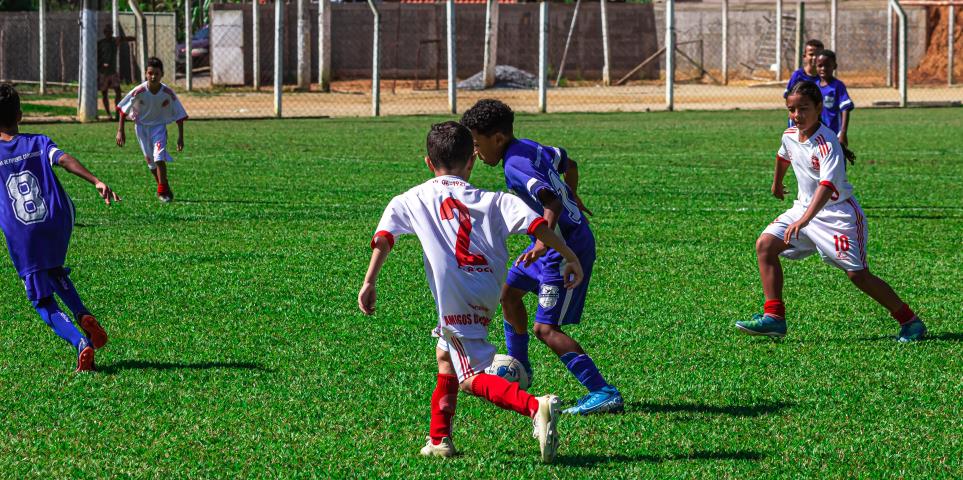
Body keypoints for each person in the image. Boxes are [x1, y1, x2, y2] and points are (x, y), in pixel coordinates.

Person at [359, 121, 585, 463]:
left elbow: (384, 237)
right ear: (472, 162)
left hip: (456, 294)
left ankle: (534, 406)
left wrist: (370, 281)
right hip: (487, 288)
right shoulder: (493, 200)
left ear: (427, 162)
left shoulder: (413, 197)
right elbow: (538, 225)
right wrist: (569, 256)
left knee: (471, 378)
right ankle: (439, 439)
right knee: (446, 357)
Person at [461, 99, 622, 416]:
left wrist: (541, 238)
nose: (476, 154)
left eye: (478, 145)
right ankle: (519, 366)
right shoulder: (528, 147)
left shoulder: (514, 166)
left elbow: (551, 202)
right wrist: (573, 193)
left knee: (546, 329)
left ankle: (602, 391)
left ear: (498, 139)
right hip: (553, 242)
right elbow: (569, 162)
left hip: (565, 249)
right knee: (509, 294)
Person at [735, 81, 926, 342]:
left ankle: (910, 321)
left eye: (803, 109)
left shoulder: (827, 143)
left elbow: (826, 187)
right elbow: (784, 155)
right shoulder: (790, 134)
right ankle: (775, 318)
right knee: (765, 245)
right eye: (791, 109)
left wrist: (803, 220)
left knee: (857, 274)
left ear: (818, 108)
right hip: (803, 209)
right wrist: (777, 182)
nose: (796, 115)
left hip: (837, 215)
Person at [0, 84, 121, 372]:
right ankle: (82, 314)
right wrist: (96, 181)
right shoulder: (39, 142)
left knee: (41, 300)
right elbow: (64, 160)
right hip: (55, 221)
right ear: (20, 115)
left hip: (22, 231)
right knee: (54, 270)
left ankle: (81, 343)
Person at [116, 57, 188, 203]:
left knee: (159, 157)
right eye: (150, 73)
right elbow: (123, 110)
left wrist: (180, 136)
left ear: (162, 74)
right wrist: (120, 130)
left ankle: (162, 192)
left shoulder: (167, 92)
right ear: (145, 74)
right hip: (141, 128)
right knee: (150, 162)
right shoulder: (139, 91)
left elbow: (179, 114)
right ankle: (164, 186)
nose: (153, 76)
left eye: (156, 73)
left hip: (158, 128)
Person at [815, 50, 854, 146]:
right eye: (820, 66)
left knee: (837, 159)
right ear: (815, 67)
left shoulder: (838, 86)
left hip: (835, 133)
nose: (823, 68)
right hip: (818, 134)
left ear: (834, 66)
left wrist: (843, 133)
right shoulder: (814, 86)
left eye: (827, 65)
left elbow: (845, 109)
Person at [97, 25, 128, 121]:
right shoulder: (100, 43)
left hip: (113, 72)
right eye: (106, 31)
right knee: (104, 92)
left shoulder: (114, 41)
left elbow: (124, 39)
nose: (108, 33)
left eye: (110, 32)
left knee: (118, 91)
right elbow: (96, 56)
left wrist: (136, 37)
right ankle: (108, 114)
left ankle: (117, 113)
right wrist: (101, 64)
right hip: (103, 72)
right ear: (104, 32)